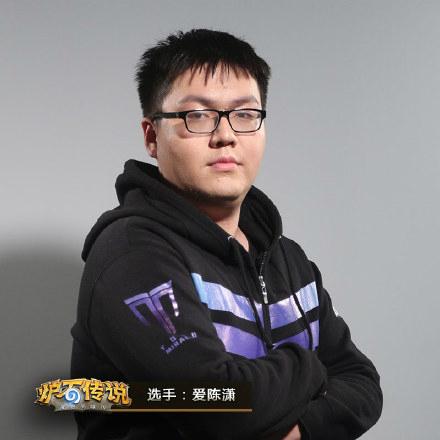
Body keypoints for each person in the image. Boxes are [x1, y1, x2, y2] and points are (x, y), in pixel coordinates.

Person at [70, 29, 382, 439]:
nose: (226, 135)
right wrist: (310, 367)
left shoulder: (288, 259)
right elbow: (216, 408)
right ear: (152, 136)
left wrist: (302, 430)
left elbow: (362, 383)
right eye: (197, 116)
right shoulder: (131, 255)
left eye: (245, 114)